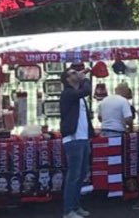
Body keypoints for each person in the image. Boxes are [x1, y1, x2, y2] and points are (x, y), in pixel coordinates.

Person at [60, 66, 93, 218]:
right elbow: (86, 90)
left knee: (80, 175)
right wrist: (84, 78)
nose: (76, 74)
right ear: (67, 79)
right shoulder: (67, 93)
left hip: (82, 138)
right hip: (73, 139)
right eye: (72, 73)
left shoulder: (76, 95)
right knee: (73, 175)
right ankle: (68, 210)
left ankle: (75, 205)